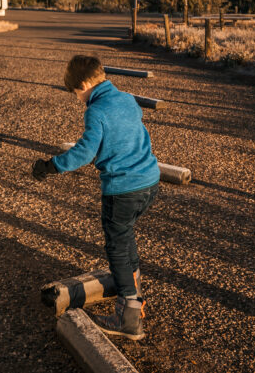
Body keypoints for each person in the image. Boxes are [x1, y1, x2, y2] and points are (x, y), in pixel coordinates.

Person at [32, 55, 160, 340]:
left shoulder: (96, 110)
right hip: (149, 182)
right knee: (125, 239)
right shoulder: (127, 99)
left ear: (87, 84)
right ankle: (135, 297)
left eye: (77, 92)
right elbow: (131, 133)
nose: (78, 98)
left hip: (123, 189)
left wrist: (51, 165)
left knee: (116, 247)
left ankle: (128, 316)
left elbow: (85, 152)